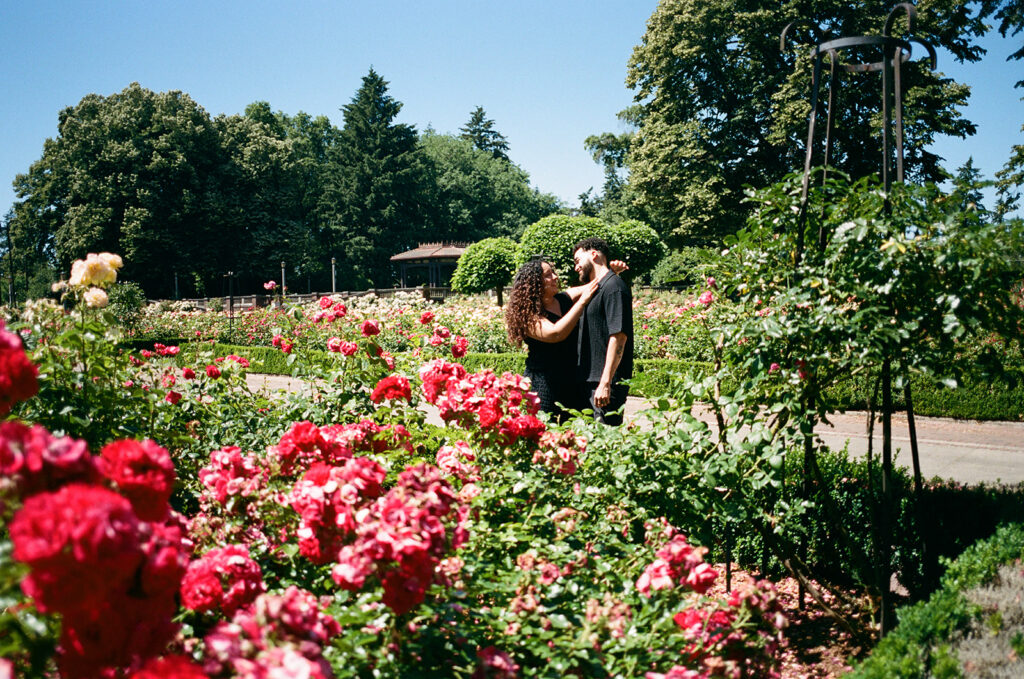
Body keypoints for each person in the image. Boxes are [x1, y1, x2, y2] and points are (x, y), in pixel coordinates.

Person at [505, 258, 599, 422]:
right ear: (535, 283)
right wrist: (582, 302)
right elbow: (555, 334)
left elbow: (591, 286)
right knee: (546, 431)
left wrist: (609, 272)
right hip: (543, 385)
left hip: (571, 381)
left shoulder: (563, 299)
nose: (555, 277)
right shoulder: (527, 315)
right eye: (548, 275)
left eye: (553, 272)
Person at [573, 237, 633, 426]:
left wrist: (605, 383)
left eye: (577, 260)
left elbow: (619, 337)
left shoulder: (614, 287)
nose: (576, 267)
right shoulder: (598, 288)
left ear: (593, 254)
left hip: (604, 385)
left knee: (605, 444)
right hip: (590, 382)